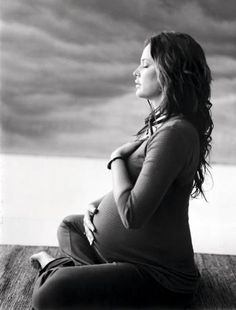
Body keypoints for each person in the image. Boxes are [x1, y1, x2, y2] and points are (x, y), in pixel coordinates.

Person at [30, 31, 213, 309]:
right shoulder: (165, 127)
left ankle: (54, 268)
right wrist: (101, 205)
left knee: (49, 294)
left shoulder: (175, 133)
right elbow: (147, 185)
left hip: (157, 277)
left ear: (169, 72)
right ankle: (86, 276)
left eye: (145, 64)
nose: (135, 72)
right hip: (124, 257)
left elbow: (132, 214)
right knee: (71, 226)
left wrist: (115, 158)